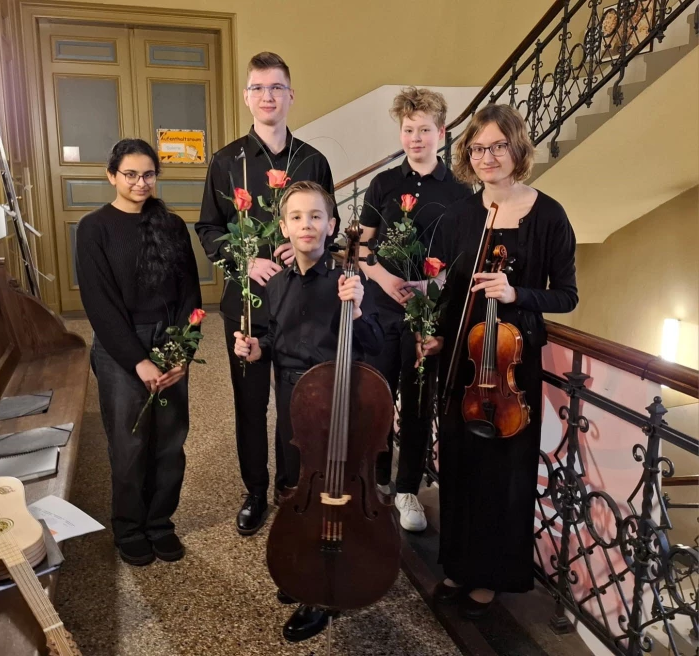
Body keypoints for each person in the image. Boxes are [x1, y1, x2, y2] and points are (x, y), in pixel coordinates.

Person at [428, 104, 578, 618]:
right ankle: (457, 565)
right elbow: (449, 292)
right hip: (465, 365)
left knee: (503, 475)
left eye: (496, 146)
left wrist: (516, 293)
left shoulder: (549, 215)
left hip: (511, 368)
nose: (487, 156)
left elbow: (567, 296)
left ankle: (490, 576)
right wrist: (434, 337)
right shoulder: (464, 216)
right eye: (477, 148)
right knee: (461, 467)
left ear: (517, 148)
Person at [197, 52, 340, 536]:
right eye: (258, 88)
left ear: (290, 95)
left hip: (304, 305)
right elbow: (208, 228)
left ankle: (292, 485)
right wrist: (244, 260)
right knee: (252, 403)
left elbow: (328, 228)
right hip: (249, 305)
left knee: (299, 400)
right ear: (247, 97)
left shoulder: (313, 160)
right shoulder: (226, 161)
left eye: (276, 87)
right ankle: (255, 490)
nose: (267, 96)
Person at [234, 180, 383, 643]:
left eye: (316, 216)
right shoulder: (276, 286)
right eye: (296, 217)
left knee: (331, 496)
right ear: (283, 227)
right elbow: (279, 343)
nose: (307, 224)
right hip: (295, 406)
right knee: (297, 486)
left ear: (331, 225)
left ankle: (322, 593)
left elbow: (377, 345)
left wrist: (358, 312)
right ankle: (307, 572)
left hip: (337, 407)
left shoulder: (347, 282)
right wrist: (257, 349)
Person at [76, 138, 201, 567]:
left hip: (170, 340)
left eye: (148, 174)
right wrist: (139, 360)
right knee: (129, 446)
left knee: (169, 442)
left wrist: (184, 350)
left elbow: (190, 295)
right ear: (112, 175)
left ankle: (160, 523)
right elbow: (100, 305)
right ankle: (129, 527)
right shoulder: (94, 229)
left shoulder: (172, 225)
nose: (140, 182)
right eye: (130, 174)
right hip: (120, 347)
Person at [358, 87, 471, 532]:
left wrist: (434, 285)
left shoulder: (461, 190)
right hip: (382, 310)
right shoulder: (383, 184)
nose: (416, 138)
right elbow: (363, 245)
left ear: (441, 133)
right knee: (379, 397)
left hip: (428, 315)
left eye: (425, 129)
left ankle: (408, 490)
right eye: (409, 130)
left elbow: (463, 257)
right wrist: (383, 278)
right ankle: (378, 481)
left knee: (420, 401)